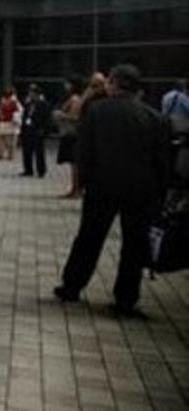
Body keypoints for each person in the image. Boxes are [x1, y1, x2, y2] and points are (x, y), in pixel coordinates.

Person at [54, 64, 170, 317]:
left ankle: (72, 286)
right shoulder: (154, 117)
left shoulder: (96, 111)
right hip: (141, 191)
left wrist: (83, 182)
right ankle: (125, 299)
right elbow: (162, 161)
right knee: (133, 245)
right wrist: (160, 194)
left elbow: (84, 152)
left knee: (89, 238)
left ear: (114, 83)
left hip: (102, 186)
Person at [54, 76, 85, 197]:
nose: (65, 86)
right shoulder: (76, 98)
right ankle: (75, 189)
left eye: (67, 83)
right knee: (73, 164)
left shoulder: (75, 99)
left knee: (74, 164)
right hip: (71, 133)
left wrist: (60, 115)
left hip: (72, 134)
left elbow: (74, 117)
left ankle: (76, 190)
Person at [19, 85, 52, 178]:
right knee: (27, 151)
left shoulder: (43, 104)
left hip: (38, 130)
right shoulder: (28, 104)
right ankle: (28, 169)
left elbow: (47, 119)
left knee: (39, 152)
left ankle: (41, 170)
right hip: (28, 129)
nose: (30, 95)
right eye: (30, 93)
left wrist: (45, 130)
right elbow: (24, 116)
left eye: (32, 93)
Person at [0, 88, 21, 161]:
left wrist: (1, 116)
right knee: (10, 140)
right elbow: (17, 111)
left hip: (3, 122)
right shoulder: (13, 102)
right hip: (10, 122)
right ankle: (10, 154)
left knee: (1, 138)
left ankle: (0, 153)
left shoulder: (2, 102)